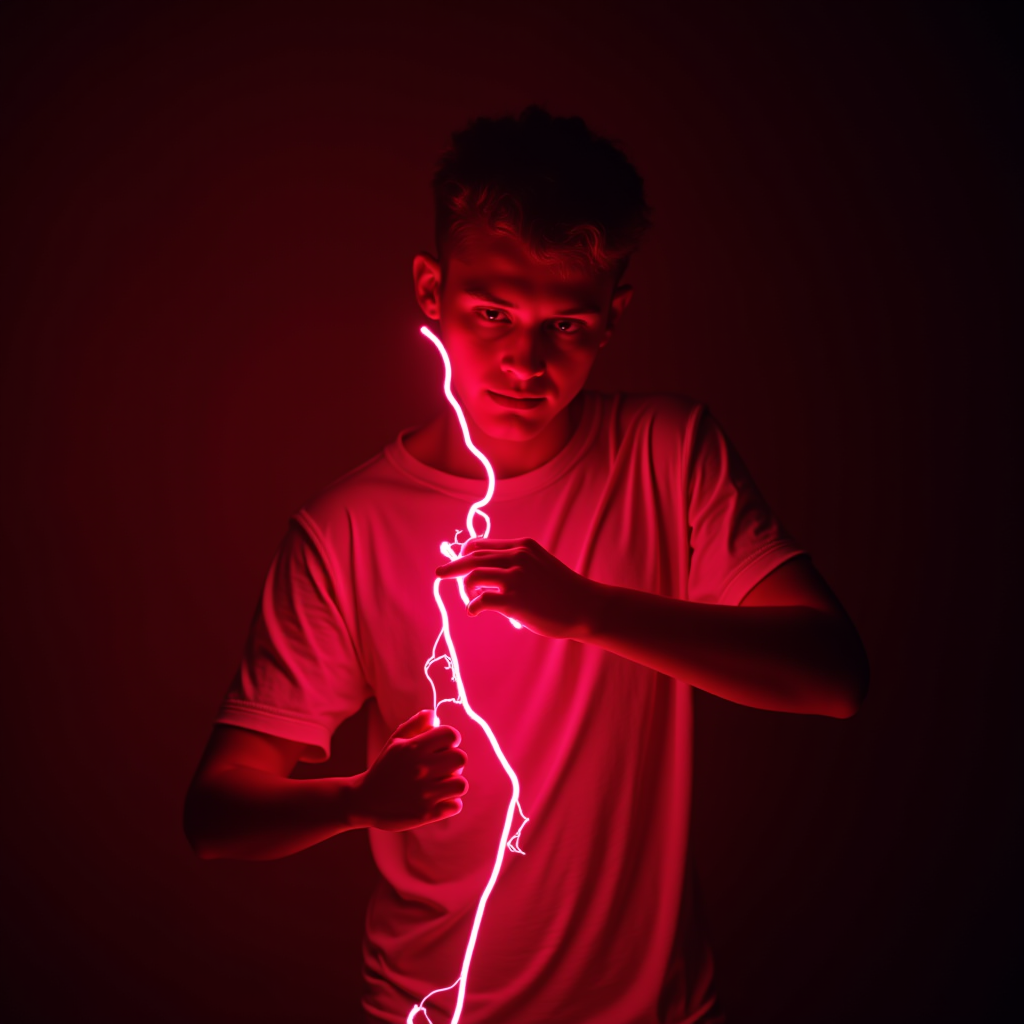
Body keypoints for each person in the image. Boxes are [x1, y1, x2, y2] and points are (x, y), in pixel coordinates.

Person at [184, 107, 869, 1024]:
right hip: (435, 1011)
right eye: (492, 313)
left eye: (569, 325)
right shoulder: (346, 529)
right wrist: (359, 799)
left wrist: (585, 611)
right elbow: (217, 816)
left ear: (615, 315)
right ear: (432, 291)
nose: (525, 362)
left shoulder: (667, 453)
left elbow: (833, 678)